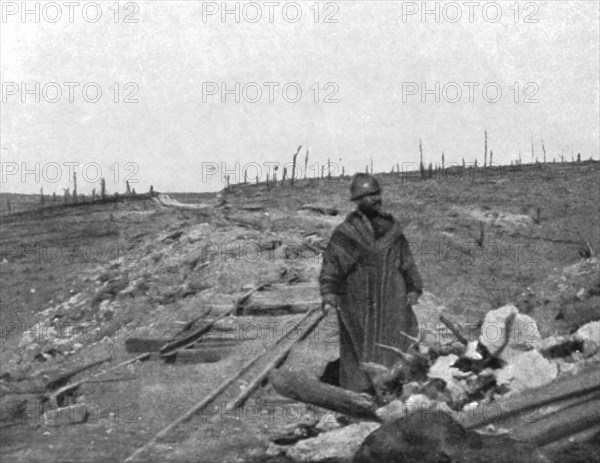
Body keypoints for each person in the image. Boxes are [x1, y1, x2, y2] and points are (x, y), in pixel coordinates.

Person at [319, 173, 423, 393]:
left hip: (391, 296)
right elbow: (332, 264)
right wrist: (328, 293)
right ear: (358, 201)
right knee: (359, 344)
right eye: (370, 195)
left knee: (397, 339)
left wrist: (414, 287)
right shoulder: (346, 233)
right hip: (358, 300)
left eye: (378, 193)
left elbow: (406, 260)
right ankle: (360, 393)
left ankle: (396, 387)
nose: (377, 199)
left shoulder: (392, 229)